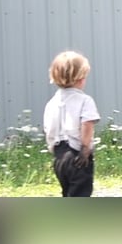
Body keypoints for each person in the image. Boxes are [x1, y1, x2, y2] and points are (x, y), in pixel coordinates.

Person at [42, 50, 101, 197]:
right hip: (77, 154)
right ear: (80, 78)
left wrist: (54, 151)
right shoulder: (85, 100)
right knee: (81, 193)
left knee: (67, 192)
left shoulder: (51, 103)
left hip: (59, 157)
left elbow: (48, 129)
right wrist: (85, 148)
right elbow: (87, 123)